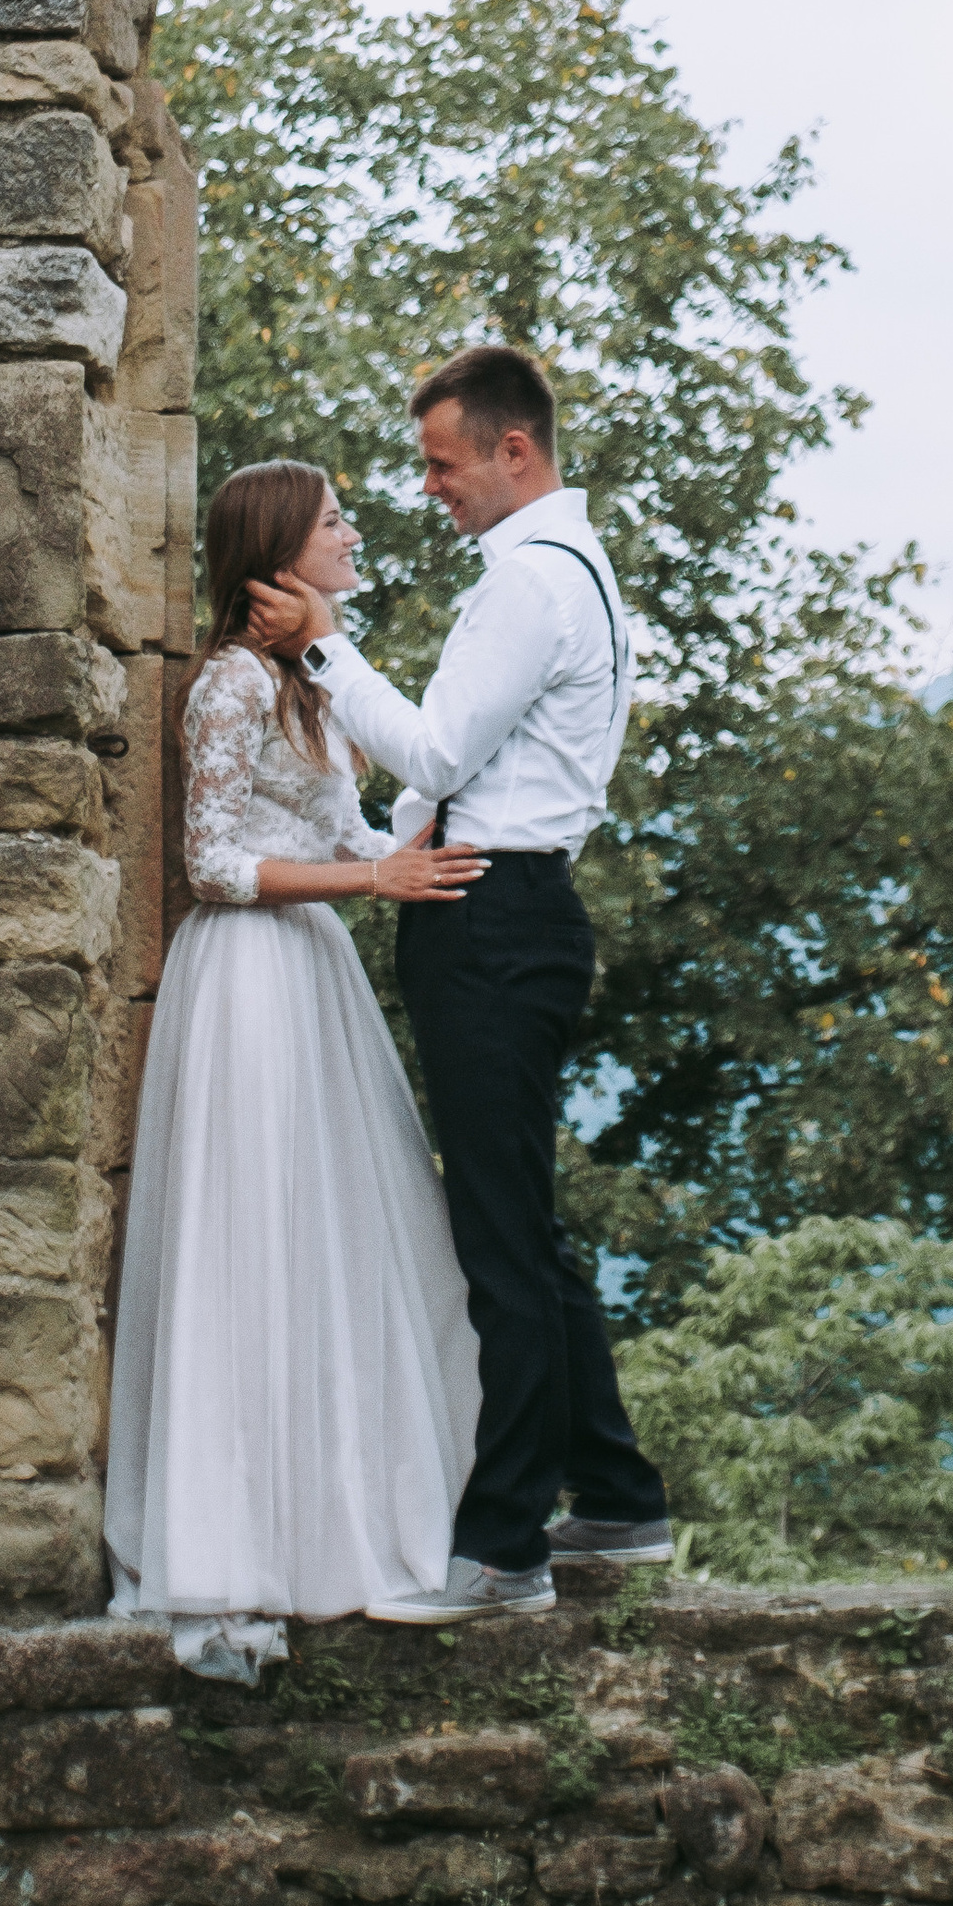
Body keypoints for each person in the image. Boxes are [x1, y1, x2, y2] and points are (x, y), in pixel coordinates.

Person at [249, 342, 672, 1625]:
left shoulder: (532, 585)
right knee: (521, 1222)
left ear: (512, 451)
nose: (430, 487)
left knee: (496, 1242)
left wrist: (324, 644)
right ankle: (619, 1494)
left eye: (442, 465)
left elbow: (432, 745)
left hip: (493, 918)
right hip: (505, 904)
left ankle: (504, 1554)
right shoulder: (564, 572)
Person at [104, 459, 488, 1669]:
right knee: (252, 1241)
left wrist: (427, 826)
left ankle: (345, 1523)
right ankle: (235, 1543)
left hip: (314, 981)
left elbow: (355, 837)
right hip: (248, 982)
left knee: (334, 1243)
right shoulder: (225, 686)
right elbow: (212, 861)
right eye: (332, 520)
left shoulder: (308, 685)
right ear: (276, 545)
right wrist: (373, 877)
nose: (352, 529)